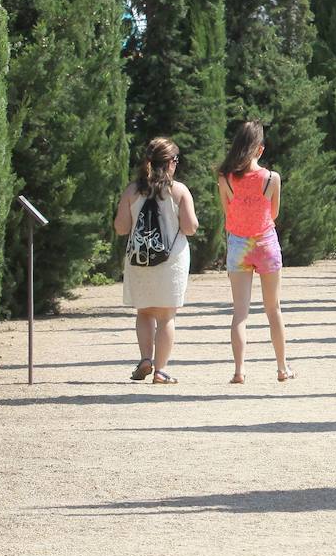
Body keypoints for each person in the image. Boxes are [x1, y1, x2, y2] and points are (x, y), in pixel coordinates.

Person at [114, 137, 199, 385]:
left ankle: (144, 359)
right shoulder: (178, 190)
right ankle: (160, 371)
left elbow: (120, 228)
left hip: (139, 260)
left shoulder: (132, 190)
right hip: (170, 262)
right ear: (171, 163)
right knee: (166, 316)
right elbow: (190, 227)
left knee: (144, 312)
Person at [217, 121, 292, 384]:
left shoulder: (225, 177)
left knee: (240, 313)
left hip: (239, 245)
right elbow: (273, 213)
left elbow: (227, 211)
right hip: (266, 244)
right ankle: (282, 368)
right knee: (274, 309)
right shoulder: (272, 178)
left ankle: (239, 370)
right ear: (260, 149)